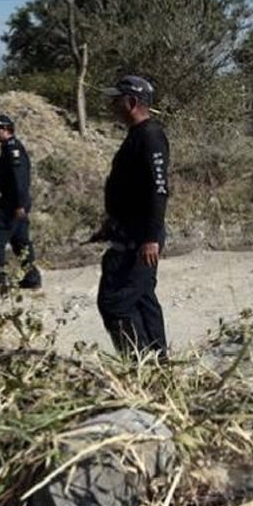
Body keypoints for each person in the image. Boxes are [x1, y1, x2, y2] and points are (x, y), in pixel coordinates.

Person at [89, 76, 170, 358]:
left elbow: (158, 190)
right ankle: (159, 364)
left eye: (117, 100)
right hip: (131, 230)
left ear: (132, 102)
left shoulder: (150, 136)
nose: (112, 105)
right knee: (143, 298)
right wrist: (111, 223)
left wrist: (150, 237)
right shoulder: (137, 135)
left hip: (140, 237)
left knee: (116, 303)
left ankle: (138, 365)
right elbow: (132, 189)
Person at [0, 114, 42, 289]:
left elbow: (19, 178)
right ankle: (31, 278)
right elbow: (1, 180)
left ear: (6, 129)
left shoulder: (13, 150)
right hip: (16, 203)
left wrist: (20, 204)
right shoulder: (8, 148)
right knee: (20, 240)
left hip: (12, 204)